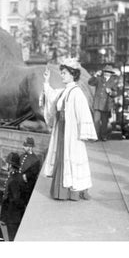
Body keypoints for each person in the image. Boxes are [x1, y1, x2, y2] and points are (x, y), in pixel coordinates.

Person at [41, 58, 97, 201]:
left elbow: (83, 113)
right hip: (61, 130)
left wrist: (84, 132)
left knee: (72, 158)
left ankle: (74, 191)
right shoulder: (64, 91)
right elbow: (52, 97)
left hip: (71, 132)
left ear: (72, 74)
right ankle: (62, 191)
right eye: (62, 73)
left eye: (64, 73)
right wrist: (46, 81)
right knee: (62, 157)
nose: (62, 75)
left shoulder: (77, 93)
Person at [88, 65, 119, 141]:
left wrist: (111, 92)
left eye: (108, 72)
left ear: (111, 73)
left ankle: (104, 136)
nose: (106, 73)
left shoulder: (113, 82)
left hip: (106, 105)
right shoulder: (99, 79)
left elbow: (115, 93)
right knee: (96, 121)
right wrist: (95, 75)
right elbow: (90, 82)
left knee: (104, 122)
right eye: (105, 71)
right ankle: (95, 136)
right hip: (97, 104)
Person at [0, 153, 25, 241]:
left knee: (12, 238)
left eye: (7, 163)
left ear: (10, 165)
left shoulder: (13, 179)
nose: (6, 165)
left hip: (13, 216)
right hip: (16, 215)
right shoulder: (17, 176)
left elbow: (14, 199)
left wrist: (5, 216)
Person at [19, 137, 41, 207]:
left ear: (30, 147)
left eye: (25, 146)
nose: (23, 147)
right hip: (20, 184)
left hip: (27, 186)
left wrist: (25, 176)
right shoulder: (22, 156)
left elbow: (33, 173)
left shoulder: (35, 159)